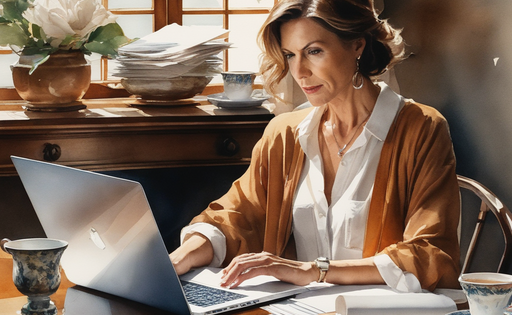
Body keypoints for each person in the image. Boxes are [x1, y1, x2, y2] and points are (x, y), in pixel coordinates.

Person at [170, 0, 461, 293]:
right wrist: (180, 258)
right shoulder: (285, 134)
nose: (299, 71)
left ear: (357, 45)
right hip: (300, 308)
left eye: (314, 51)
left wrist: (313, 271)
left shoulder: (421, 128)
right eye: (289, 54)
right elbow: (234, 217)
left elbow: (430, 252)